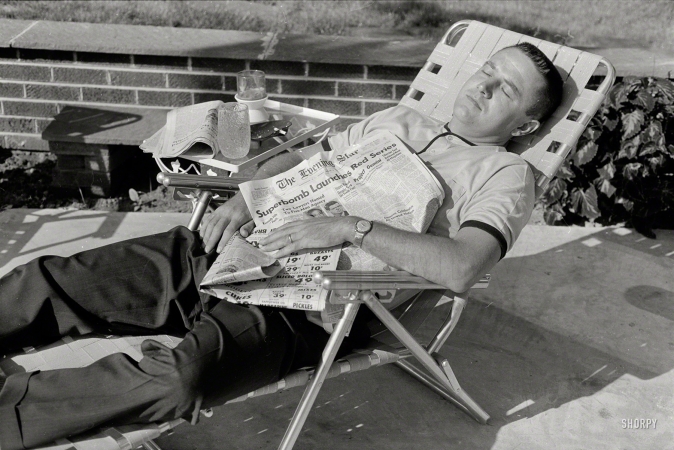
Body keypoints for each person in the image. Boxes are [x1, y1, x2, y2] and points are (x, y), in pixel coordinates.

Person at [0, 43, 563, 449]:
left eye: (505, 88)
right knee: (51, 280)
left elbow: (463, 267)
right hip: (233, 246)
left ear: (526, 122)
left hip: (308, 303)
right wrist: (250, 195)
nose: (482, 86)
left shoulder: (505, 174)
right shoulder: (399, 118)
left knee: (179, 379)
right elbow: (304, 159)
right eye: (486, 71)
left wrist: (349, 227)